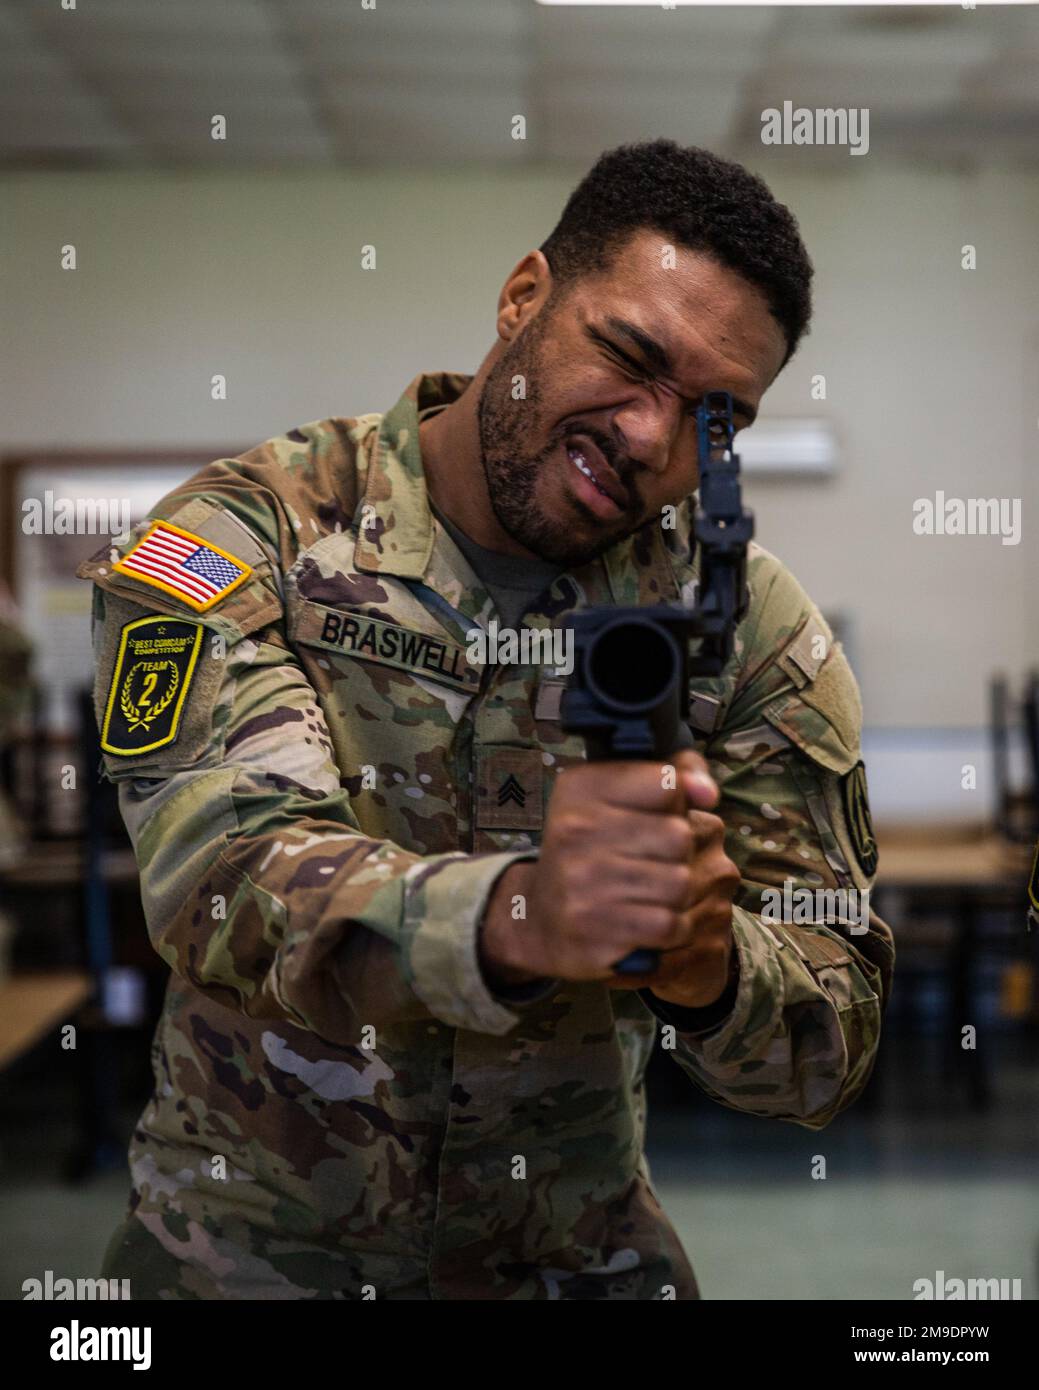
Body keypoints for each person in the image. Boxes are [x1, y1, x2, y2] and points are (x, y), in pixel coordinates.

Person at [81, 139, 893, 1300]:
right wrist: (524, 913)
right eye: (627, 355)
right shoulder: (241, 534)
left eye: (714, 418)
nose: (648, 437)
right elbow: (222, 876)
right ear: (523, 298)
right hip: (243, 1264)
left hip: (571, 1263)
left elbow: (829, 1046)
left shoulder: (745, 629)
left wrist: (708, 965)